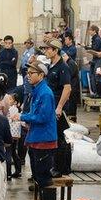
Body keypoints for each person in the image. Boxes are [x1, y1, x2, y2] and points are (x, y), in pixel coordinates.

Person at [15, 57, 58, 200]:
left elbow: (43, 117)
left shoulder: (45, 93)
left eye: (31, 73)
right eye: (27, 73)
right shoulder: (37, 90)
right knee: (39, 176)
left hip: (44, 140)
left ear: (41, 75)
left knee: (44, 177)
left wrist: (22, 116)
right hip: (36, 138)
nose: (28, 76)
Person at [42, 40, 72, 175]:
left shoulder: (62, 67)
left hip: (57, 108)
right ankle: (60, 167)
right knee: (56, 136)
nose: (46, 51)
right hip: (50, 106)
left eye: (48, 49)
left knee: (59, 138)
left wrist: (59, 107)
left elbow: (67, 88)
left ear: (55, 51)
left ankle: (60, 168)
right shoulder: (51, 66)